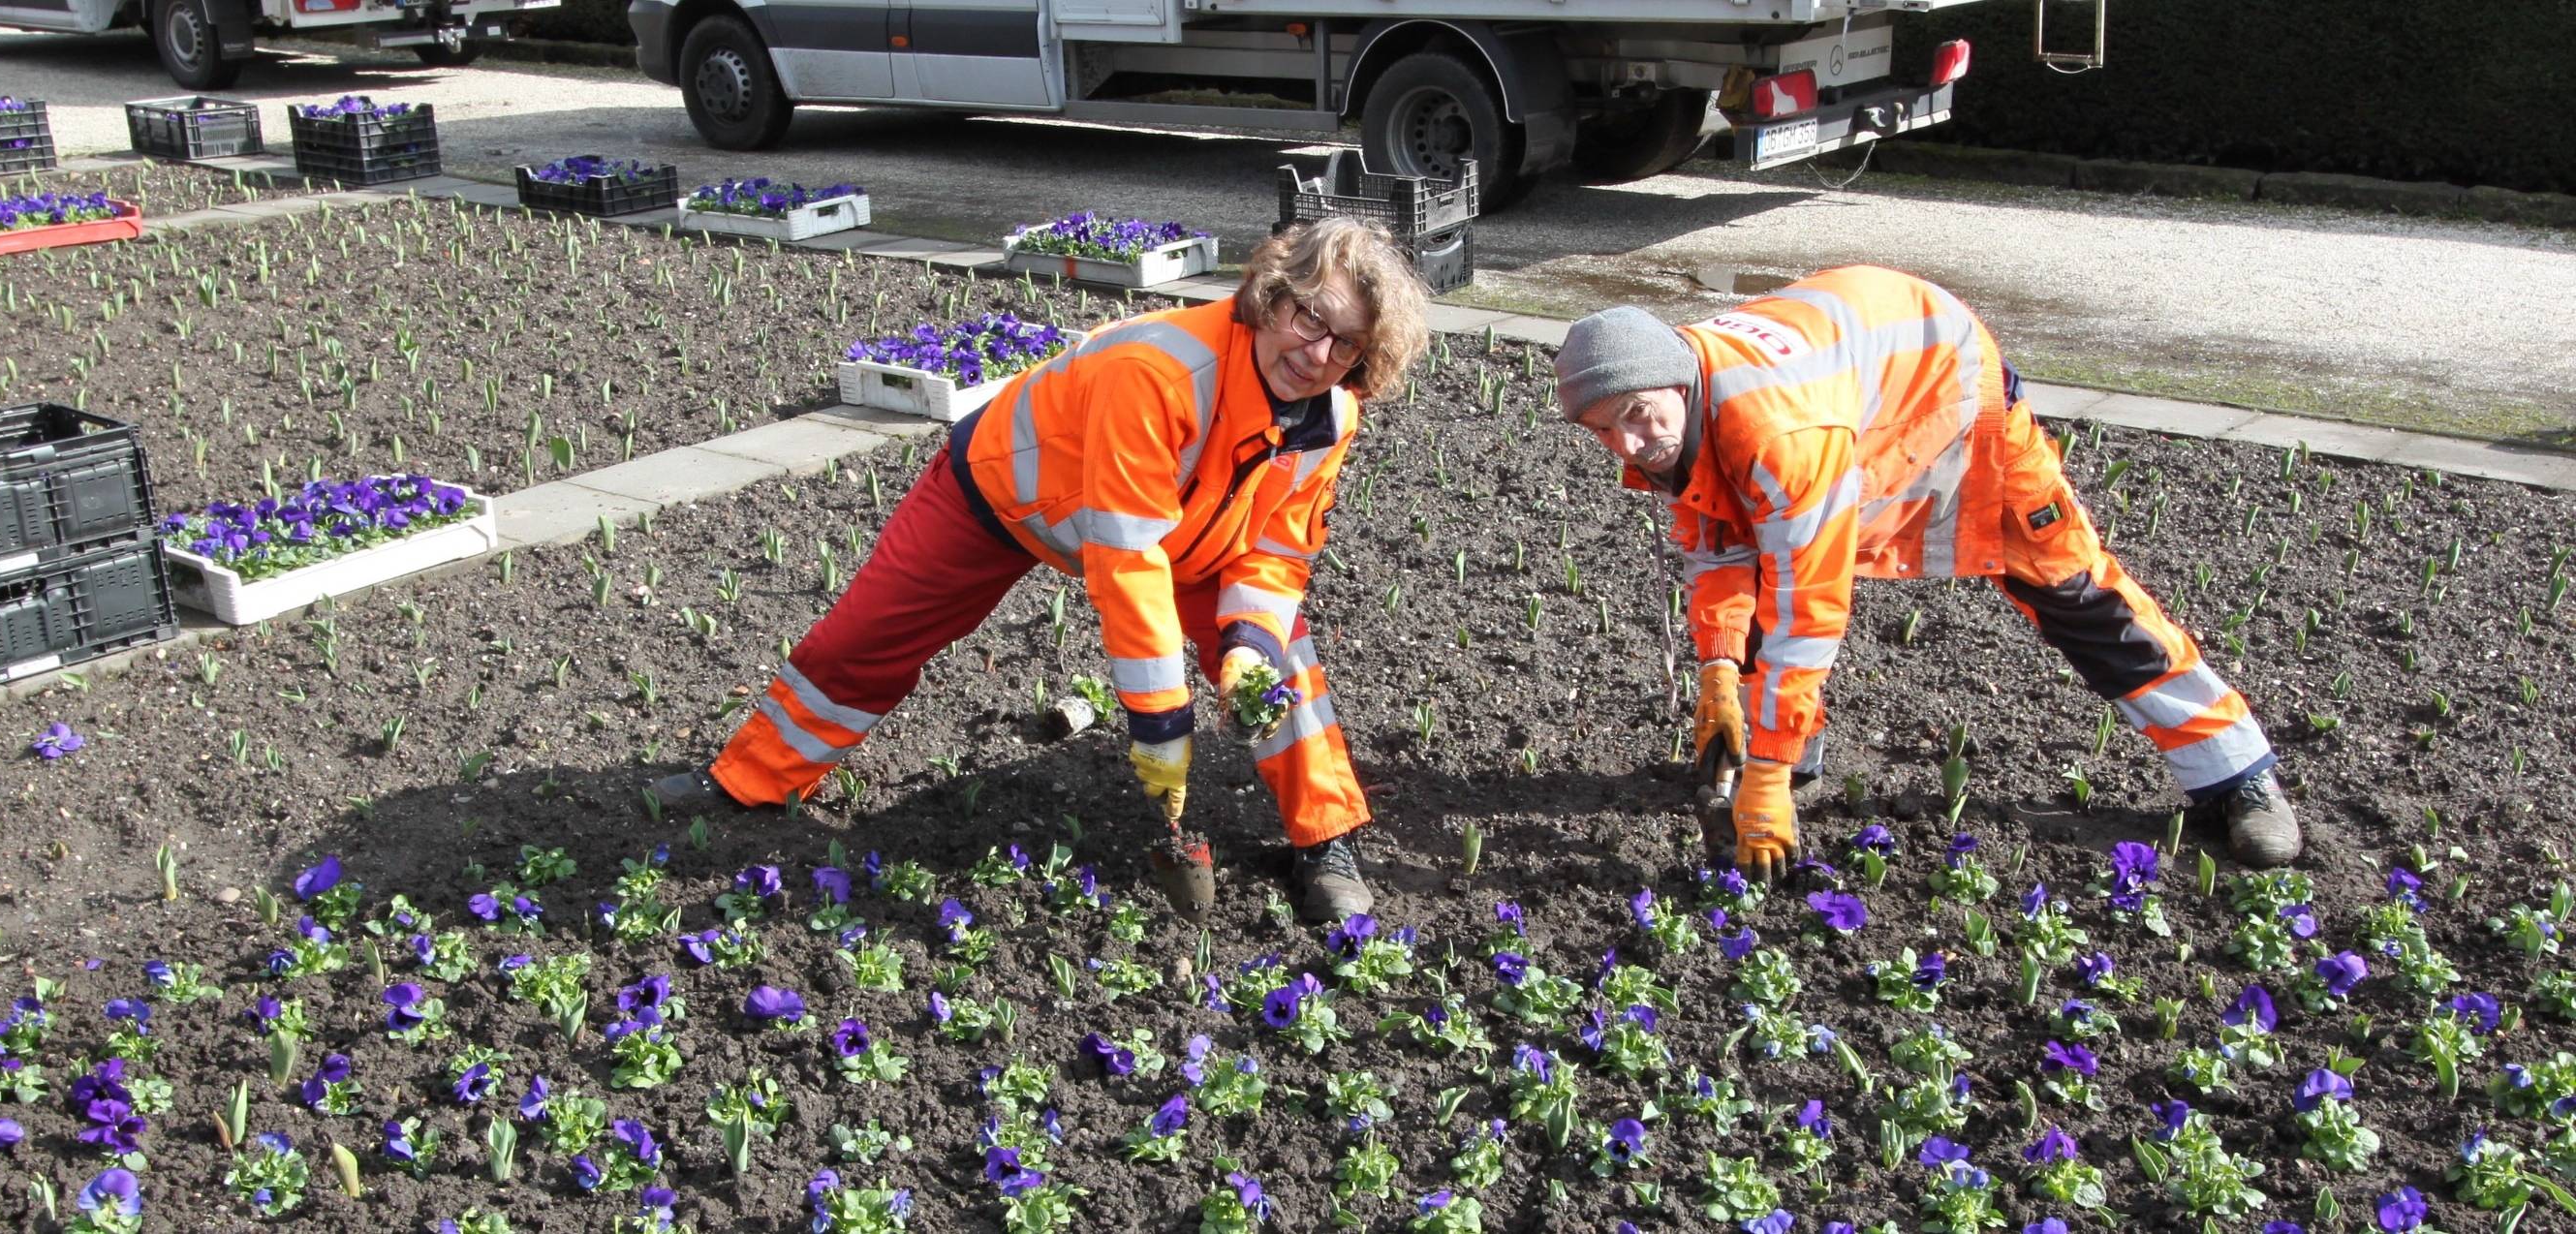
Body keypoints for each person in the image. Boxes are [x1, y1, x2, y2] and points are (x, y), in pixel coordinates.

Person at [650, 215, 1431, 921]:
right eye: (1310, 317)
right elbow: (1126, 560)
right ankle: (752, 775)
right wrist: (1162, 727)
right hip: (1003, 497)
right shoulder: (1160, 373)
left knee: (1282, 672)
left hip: (1191, 538)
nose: (1318, 352)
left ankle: (1325, 839)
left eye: (1348, 343)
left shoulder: (1330, 417)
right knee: (867, 637)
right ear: (1272, 295)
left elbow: (1278, 548)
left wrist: (1249, 645)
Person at [1553, 264, 2301, 881]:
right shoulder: (1675, 405)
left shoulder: (1780, 434)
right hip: (1856, 388)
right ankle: (1789, 757)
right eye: (1604, 429)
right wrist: (1718, 666)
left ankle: (2236, 773)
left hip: (1944, 385)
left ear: (1677, 384)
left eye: (1640, 416)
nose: (1629, 444)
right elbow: (1719, 544)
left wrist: (1767, 770)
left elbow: (1807, 606)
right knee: (1756, 599)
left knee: (2073, 590)